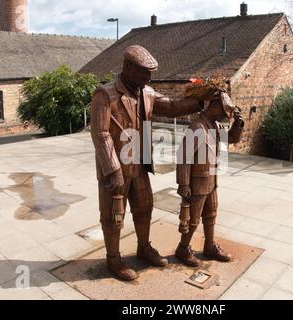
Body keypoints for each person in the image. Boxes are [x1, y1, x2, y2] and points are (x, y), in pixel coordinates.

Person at [90, 45, 217, 281]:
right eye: (144, 72)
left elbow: (171, 106)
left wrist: (201, 100)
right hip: (116, 167)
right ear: (128, 67)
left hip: (139, 166)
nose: (149, 77)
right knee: (113, 216)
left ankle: (143, 248)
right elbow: (100, 133)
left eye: (150, 73)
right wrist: (113, 169)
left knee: (144, 207)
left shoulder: (146, 92)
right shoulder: (105, 94)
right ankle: (114, 259)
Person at [175, 92, 244, 267]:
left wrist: (238, 124)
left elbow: (232, 138)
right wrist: (183, 184)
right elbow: (183, 157)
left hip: (211, 181)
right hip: (197, 183)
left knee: (211, 214)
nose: (224, 115)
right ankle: (183, 248)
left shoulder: (215, 126)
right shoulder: (197, 127)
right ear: (213, 106)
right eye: (223, 110)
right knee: (193, 219)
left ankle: (209, 245)